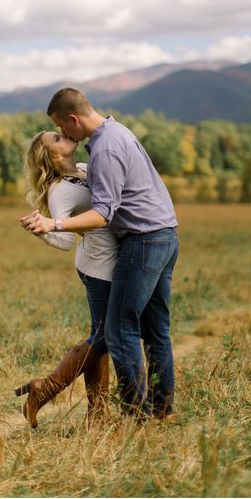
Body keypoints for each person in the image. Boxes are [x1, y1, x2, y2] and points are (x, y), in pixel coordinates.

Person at [21, 88, 179, 420]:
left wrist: (56, 224)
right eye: (57, 136)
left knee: (115, 332)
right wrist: (50, 226)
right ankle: (134, 412)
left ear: (73, 119)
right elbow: (64, 231)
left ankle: (137, 413)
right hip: (121, 252)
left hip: (141, 242)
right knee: (115, 332)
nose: (64, 134)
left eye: (62, 129)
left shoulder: (97, 155)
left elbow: (104, 213)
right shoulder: (112, 138)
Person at [14, 130, 119, 429]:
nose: (63, 135)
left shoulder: (86, 168)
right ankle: (45, 389)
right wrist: (43, 231)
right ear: (55, 156)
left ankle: (98, 414)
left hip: (112, 261)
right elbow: (63, 240)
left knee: (101, 337)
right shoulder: (60, 190)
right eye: (56, 139)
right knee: (104, 336)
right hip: (97, 265)